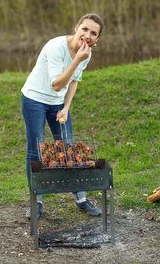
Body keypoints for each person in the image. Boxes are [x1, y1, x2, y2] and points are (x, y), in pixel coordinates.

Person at [21, 13, 104, 218]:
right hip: (35, 99)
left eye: (93, 33)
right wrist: (76, 60)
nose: (87, 35)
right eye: (85, 29)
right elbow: (57, 84)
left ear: (97, 39)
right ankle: (36, 201)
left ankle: (81, 199)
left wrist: (66, 107)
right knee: (35, 151)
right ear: (76, 28)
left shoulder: (86, 53)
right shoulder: (55, 47)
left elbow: (74, 81)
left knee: (68, 147)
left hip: (57, 103)